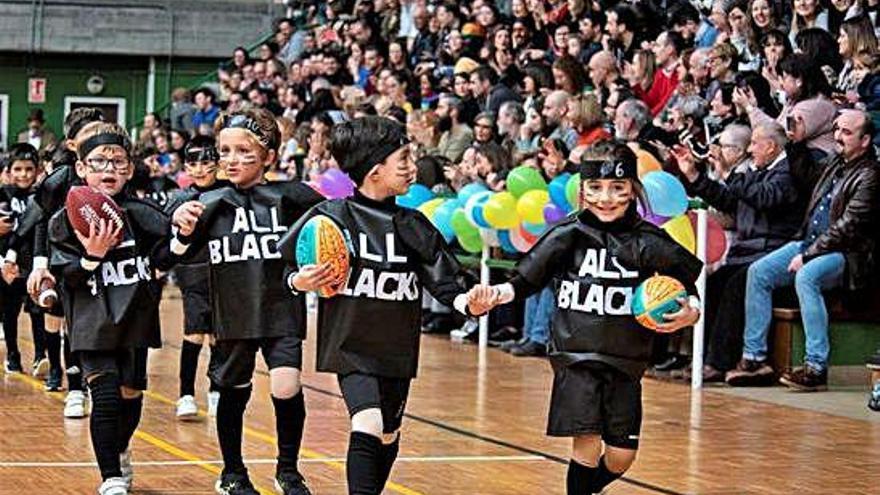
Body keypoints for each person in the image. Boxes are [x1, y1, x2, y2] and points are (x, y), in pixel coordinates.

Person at [280, 115, 492, 495]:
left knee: (388, 433)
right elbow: (282, 268)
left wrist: (467, 302)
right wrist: (300, 280)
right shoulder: (330, 217)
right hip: (350, 346)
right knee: (368, 421)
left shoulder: (413, 223)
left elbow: (444, 279)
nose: (413, 166)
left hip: (395, 349)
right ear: (376, 170)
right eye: (405, 158)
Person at [477, 140, 702, 495]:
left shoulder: (648, 241)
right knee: (586, 443)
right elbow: (525, 278)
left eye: (617, 188)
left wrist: (690, 311)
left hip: (626, 362)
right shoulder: (568, 234)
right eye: (595, 188)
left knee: (621, 456)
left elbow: (688, 285)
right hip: (576, 356)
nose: (606, 198)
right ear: (583, 190)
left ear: (633, 190)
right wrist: (496, 295)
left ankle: (588, 488)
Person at [171, 107, 323, 494]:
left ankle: (288, 470)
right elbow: (176, 253)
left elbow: (331, 230)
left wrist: (315, 271)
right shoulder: (208, 202)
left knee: (286, 385)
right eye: (224, 151)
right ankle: (232, 471)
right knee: (233, 390)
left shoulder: (292, 195)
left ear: (270, 156)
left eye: (244, 151)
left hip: (282, 306)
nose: (231, 160)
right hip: (233, 313)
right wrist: (182, 230)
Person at [48, 122, 177, 495]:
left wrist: (183, 235)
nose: (109, 169)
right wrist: (93, 256)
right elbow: (67, 277)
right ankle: (111, 478)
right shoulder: (65, 221)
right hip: (92, 322)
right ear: (82, 168)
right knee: (104, 396)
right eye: (99, 161)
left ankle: (120, 450)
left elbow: (164, 257)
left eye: (118, 162)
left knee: (130, 396)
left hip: (135, 316)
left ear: (130, 170)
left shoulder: (144, 213)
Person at [727, 109, 880, 390]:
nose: (838, 136)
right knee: (758, 272)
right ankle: (754, 358)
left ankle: (815, 367)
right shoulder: (836, 162)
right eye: (837, 129)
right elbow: (805, 177)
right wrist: (795, 144)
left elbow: (848, 227)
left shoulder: (871, 175)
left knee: (806, 277)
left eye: (846, 132)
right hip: (810, 241)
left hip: (849, 254)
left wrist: (808, 255)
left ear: (866, 139)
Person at [674, 123, 802, 382]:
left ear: (771, 146)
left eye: (754, 143)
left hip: (770, 253)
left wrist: (729, 174)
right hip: (746, 253)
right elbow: (730, 202)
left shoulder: (787, 174)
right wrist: (695, 177)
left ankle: (719, 362)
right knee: (711, 285)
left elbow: (763, 197)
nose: (750, 149)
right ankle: (702, 357)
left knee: (733, 287)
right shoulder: (758, 171)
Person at [4, 107, 107, 417]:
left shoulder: (112, 173)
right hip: (64, 259)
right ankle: (69, 381)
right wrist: (34, 260)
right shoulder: (60, 179)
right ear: (72, 144)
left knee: (93, 324)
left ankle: (95, 381)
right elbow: (37, 220)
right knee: (58, 316)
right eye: (89, 136)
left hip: (103, 260)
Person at [164, 136, 227, 419]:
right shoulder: (180, 198)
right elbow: (163, 225)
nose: (200, 169)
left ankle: (216, 390)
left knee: (219, 336)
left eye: (206, 162)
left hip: (226, 276)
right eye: (193, 163)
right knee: (194, 334)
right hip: (193, 274)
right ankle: (185, 394)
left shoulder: (230, 193)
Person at [0, 144, 48, 378]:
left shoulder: (41, 197)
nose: (24, 174)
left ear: (38, 170)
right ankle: (12, 354)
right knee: (10, 311)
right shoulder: (2, 195)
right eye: (18, 169)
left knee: (39, 310)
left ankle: (41, 356)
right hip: (8, 263)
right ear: (8, 171)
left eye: (29, 169)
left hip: (34, 261)